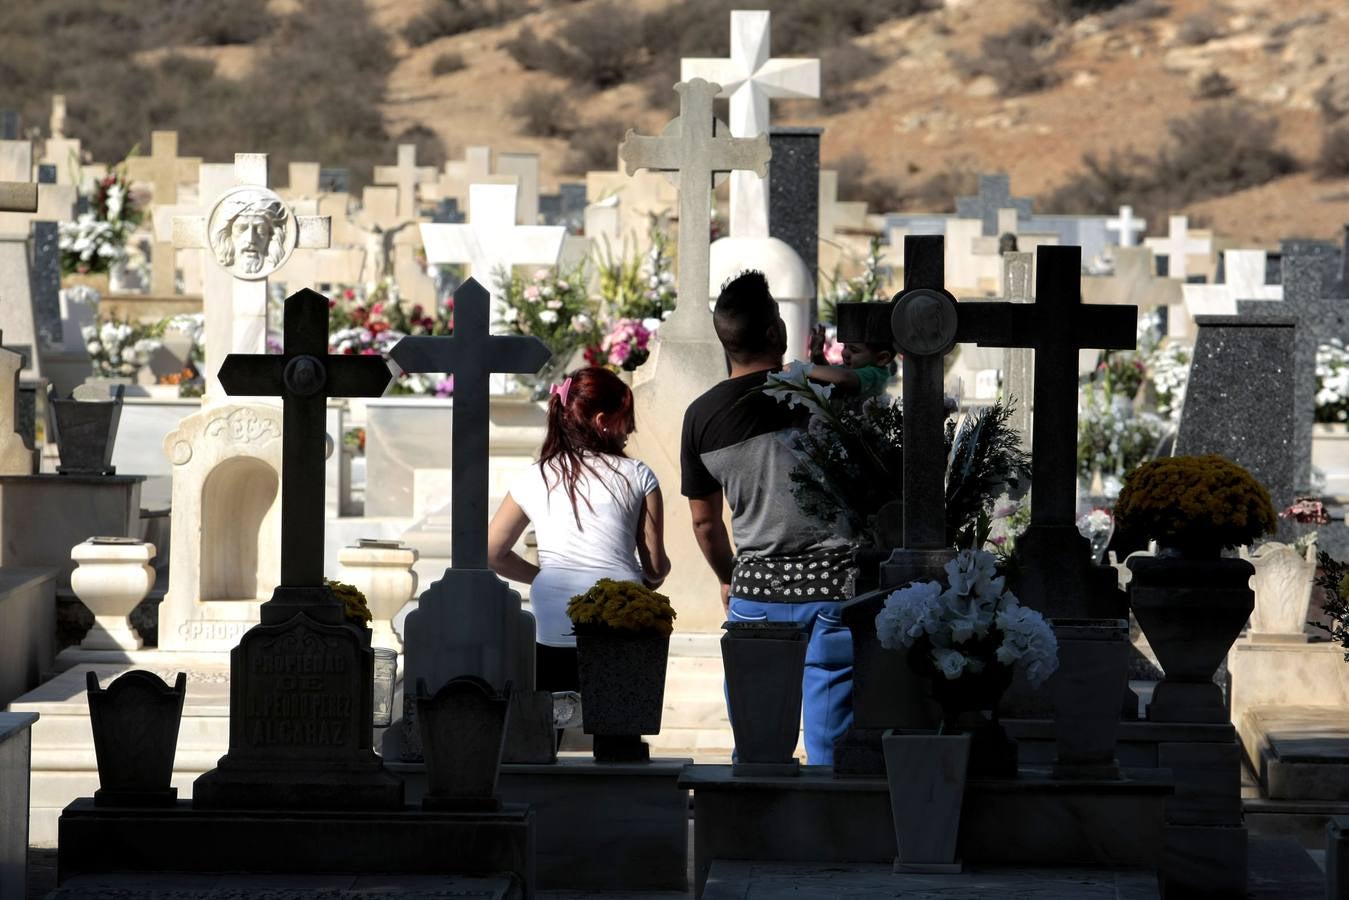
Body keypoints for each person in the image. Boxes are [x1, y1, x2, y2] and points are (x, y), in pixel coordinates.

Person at [681, 271, 855, 766]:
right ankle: (826, 833)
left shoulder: (700, 416)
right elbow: (856, 384)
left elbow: (706, 523)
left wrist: (725, 576)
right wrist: (809, 370)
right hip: (832, 584)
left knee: (759, 747)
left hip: (756, 591)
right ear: (777, 333)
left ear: (725, 339)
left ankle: (755, 835)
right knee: (831, 749)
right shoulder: (818, 395)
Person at [486, 366, 670, 696]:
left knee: (551, 718)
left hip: (554, 612)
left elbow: (491, 551)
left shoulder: (537, 476)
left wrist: (544, 576)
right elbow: (655, 566)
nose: (631, 428)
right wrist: (654, 576)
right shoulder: (637, 474)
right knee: (619, 726)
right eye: (626, 417)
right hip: (621, 616)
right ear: (602, 420)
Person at [805, 323, 895, 398]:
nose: (844, 353)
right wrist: (817, 355)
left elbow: (843, 378)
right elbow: (828, 375)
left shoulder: (875, 374)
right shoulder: (850, 368)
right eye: (844, 346)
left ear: (881, 358)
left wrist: (802, 369)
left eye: (854, 350)